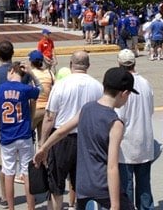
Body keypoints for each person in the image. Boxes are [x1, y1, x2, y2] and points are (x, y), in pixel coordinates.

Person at [35, 66, 138, 210]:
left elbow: (61, 131)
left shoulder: (86, 109)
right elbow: (112, 166)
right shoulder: (115, 123)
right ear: (124, 93)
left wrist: (44, 147)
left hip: (83, 188)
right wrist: (115, 205)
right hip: (103, 188)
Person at [41, 51, 104, 210]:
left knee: (56, 186)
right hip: (87, 140)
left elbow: (49, 118)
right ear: (88, 66)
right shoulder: (97, 86)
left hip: (61, 140)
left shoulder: (61, 85)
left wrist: (43, 144)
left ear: (71, 64)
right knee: (83, 185)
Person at [0, 61, 40, 210]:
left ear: (11, 71)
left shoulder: (0, 89)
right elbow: (40, 89)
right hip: (24, 135)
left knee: (9, 172)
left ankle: (11, 207)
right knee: (26, 172)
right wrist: (32, 73)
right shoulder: (25, 89)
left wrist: (0, 119)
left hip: (7, 136)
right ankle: (30, 206)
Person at [116, 49, 155, 210]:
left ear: (119, 64)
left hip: (126, 144)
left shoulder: (121, 86)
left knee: (126, 188)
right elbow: (151, 110)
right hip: (144, 141)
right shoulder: (145, 83)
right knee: (144, 186)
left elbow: (118, 117)